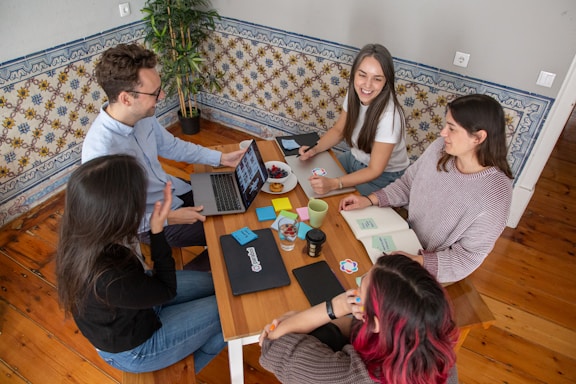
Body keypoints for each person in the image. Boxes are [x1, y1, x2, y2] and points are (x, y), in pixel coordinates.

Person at [56, 155, 226, 373]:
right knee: (230, 311)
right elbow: (166, 289)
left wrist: (164, 220)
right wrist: (157, 231)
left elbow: (152, 287)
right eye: (139, 198)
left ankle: (189, 344)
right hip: (136, 347)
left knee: (220, 286)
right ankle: (182, 370)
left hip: (138, 304)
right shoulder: (107, 277)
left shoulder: (81, 233)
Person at [82, 43, 246, 249]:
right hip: (154, 222)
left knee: (235, 198)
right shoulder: (100, 152)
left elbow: (172, 146)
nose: (161, 97)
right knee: (230, 228)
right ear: (126, 98)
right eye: (154, 93)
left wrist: (220, 158)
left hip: (172, 189)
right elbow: (116, 222)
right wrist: (171, 217)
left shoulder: (142, 115)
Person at [340, 94, 514, 284]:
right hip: (403, 236)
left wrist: (419, 261)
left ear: (479, 137)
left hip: (432, 268)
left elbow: (467, 258)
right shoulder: (440, 149)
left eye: (452, 128)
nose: (442, 133)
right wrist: (370, 199)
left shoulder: (496, 194)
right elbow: (408, 183)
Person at [259, 254, 459, 384]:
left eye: (361, 285)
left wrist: (335, 307)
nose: (354, 291)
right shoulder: (438, 348)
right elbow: (354, 325)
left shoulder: (347, 377)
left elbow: (273, 343)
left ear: (375, 323)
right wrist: (302, 319)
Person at [297, 44, 409, 196]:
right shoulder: (355, 92)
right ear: (354, 74)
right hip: (354, 158)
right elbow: (339, 130)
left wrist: (335, 183)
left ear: (386, 82)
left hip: (383, 176)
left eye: (377, 79)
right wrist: (314, 149)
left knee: (334, 200)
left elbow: (375, 169)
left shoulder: (390, 116)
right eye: (362, 75)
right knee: (308, 182)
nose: (367, 85)